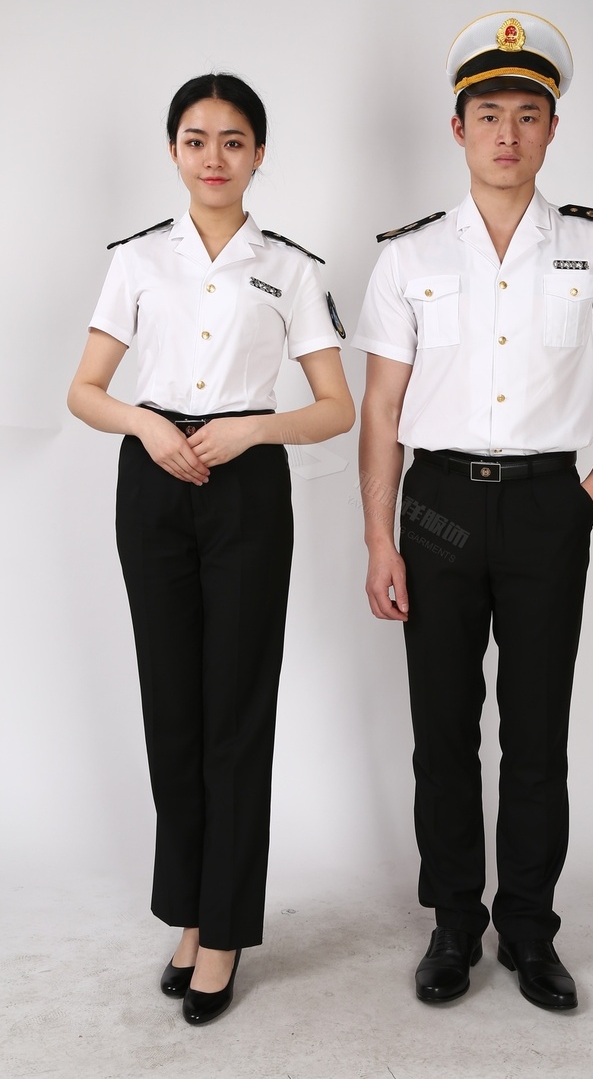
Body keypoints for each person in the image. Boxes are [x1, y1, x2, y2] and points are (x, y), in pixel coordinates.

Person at [353, 11, 593, 1010]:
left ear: (551, 129)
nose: (507, 134)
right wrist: (379, 538)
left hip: (544, 508)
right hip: (437, 508)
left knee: (536, 734)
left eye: (528, 115)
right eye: (488, 114)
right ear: (457, 128)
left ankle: (529, 929)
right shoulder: (409, 258)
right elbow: (382, 410)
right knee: (442, 732)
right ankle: (454, 924)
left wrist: (589, 497)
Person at [68, 73, 354, 1025]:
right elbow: (85, 390)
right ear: (173, 152)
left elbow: (335, 408)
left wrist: (253, 429)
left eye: (234, 141)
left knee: (235, 710)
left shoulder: (291, 268)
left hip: (244, 489)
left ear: (259, 154)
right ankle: (188, 914)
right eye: (196, 140)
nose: (214, 157)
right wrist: (148, 425)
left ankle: (224, 930)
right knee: (173, 710)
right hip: (153, 482)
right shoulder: (137, 261)